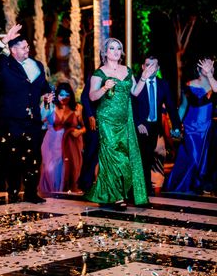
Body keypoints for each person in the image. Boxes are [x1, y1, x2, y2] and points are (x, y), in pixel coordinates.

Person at [0, 24, 53, 203]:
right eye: (23, 47)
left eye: (27, 46)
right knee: (13, 158)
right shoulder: (4, 64)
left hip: (33, 121)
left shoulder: (37, 64)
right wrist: (5, 40)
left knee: (33, 158)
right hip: (11, 121)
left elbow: (43, 86)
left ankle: (31, 192)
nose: (27, 49)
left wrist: (47, 94)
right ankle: (13, 191)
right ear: (13, 50)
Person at [86, 38, 156, 210]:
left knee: (125, 158)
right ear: (105, 52)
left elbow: (135, 92)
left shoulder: (127, 70)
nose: (116, 51)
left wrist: (144, 79)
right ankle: (117, 197)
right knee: (113, 157)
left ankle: (106, 193)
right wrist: (104, 88)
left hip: (125, 122)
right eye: (112, 48)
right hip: (107, 121)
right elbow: (91, 97)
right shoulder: (99, 73)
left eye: (119, 48)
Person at [132, 56, 181, 194]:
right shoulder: (135, 82)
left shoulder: (163, 84)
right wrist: (138, 123)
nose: (150, 68)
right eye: (147, 65)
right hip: (139, 127)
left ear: (158, 68)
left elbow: (171, 107)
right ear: (143, 67)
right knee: (142, 159)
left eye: (154, 65)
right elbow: (131, 105)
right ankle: (143, 191)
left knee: (149, 159)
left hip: (155, 127)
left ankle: (146, 191)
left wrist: (176, 126)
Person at [167, 58, 217, 193]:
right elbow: (183, 107)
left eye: (211, 66)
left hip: (206, 129)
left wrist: (210, 75)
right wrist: (176, 126)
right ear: (198, 68)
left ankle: (201, 183)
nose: (209, 68)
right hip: (190, 127)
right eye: (206, 65)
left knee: (204, 159)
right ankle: (190, 184)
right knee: (193, 157)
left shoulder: (214, 85)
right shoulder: (189, 85)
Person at [39, 82, 85, 195]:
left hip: (71, 144)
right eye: (62, 94)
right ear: (56, 95)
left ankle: (64, 195)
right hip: (51, 142)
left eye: (67, 95)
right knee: (50, 170)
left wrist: (79, 131)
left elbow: (87, 127)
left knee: (66, 169)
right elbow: (41, 117)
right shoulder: (50, 106)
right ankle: (50, 195)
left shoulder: (77, 108)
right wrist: (46, 103)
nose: (64, 97)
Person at [77, 74, 100, 193]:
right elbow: (84, 97)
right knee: (92, 151)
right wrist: (90, 115)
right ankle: (86, 183)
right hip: (95, 120)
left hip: (112, 121)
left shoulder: (120, 74)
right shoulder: (94, 76)